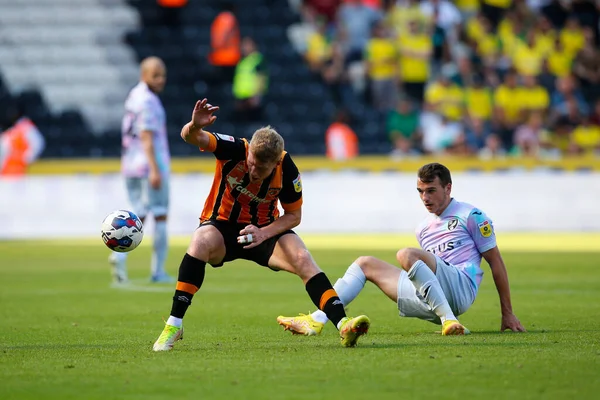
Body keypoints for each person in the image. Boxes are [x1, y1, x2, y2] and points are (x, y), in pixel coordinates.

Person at [152, 99, 370, 351]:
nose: (254, 171)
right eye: (252, 162)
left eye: (262, 168)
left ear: (276, 162)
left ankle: (343, 324)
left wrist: (262, 233)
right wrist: (193, 126)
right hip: (222, 228)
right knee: (200, 242)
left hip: (265, 231)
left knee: (302, 257)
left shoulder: (287, 169)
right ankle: (174, 324)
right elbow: (192, 138)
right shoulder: (234, 148)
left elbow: (293, 216)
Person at [277, 163, 526, 336]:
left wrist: (508, 313)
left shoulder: (471, 215)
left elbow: (496, 262)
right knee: (364, 263)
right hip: (432, 296)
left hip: (460, 288)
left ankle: (449, 319)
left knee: (406, 254)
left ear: (448, 188)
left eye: (431, 191)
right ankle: (317, 320)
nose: (425, 198)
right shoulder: (424, 228)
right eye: (420, 191)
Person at [110, 56, 174, 284]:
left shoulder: (133, 96)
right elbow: (146, 136)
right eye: (155, 75)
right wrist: (155, 170)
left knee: (138, 213)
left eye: (162, 74)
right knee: (160, 214)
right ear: (143, 75)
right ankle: (157, 271)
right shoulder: (147, 101)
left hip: (131, 164)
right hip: (149, 166)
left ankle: (118, 256)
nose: (160, 79)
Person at [0, 102, 45, 176]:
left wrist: (25, 158)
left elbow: (38, 143)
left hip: (18, 170)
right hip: (7, 169)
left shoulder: (26, 126)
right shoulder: (11, 131)